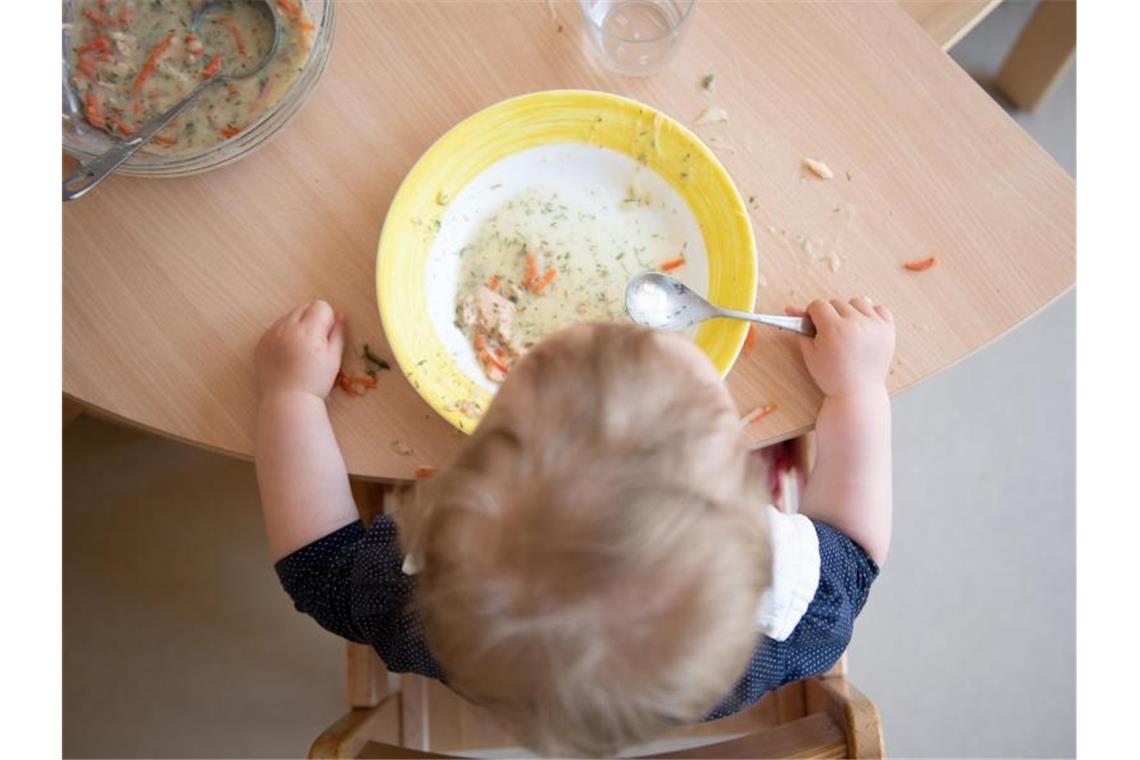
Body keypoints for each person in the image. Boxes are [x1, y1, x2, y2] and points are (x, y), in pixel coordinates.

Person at [255, 296, 895, 757]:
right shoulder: (799, 614)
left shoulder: (415, 603)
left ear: (451, 499)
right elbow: (856, 544)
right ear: (746, 508)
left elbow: (318, 566)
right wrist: (857, 389)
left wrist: (290, 397)